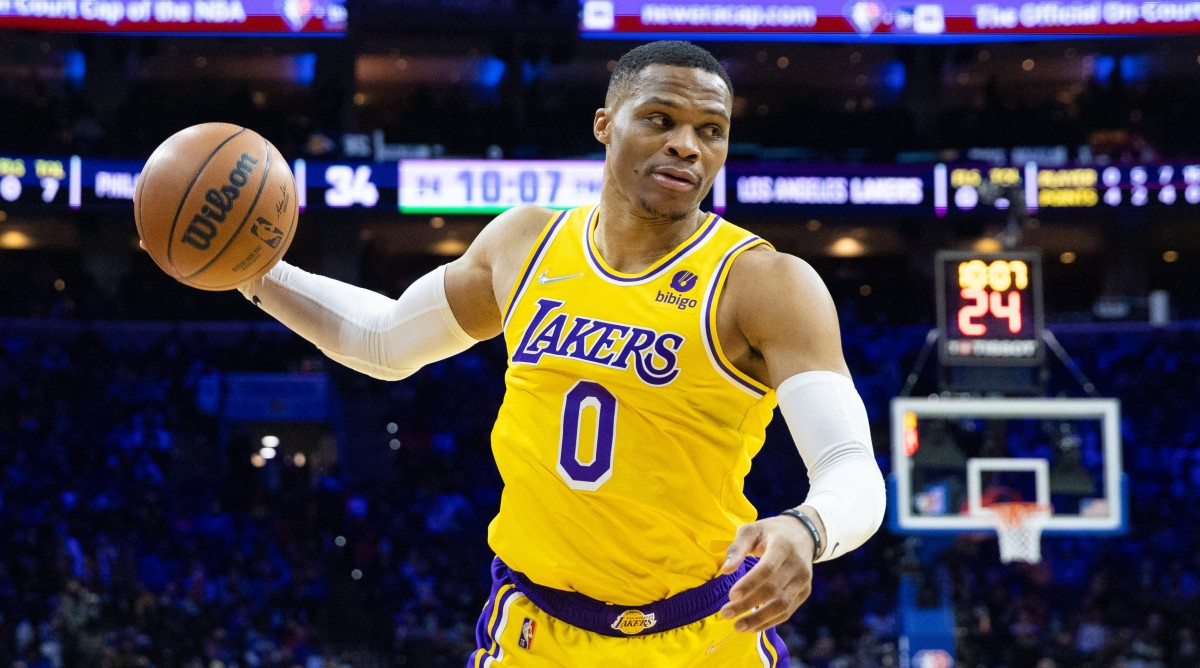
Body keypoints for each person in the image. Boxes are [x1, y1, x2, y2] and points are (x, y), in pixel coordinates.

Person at [235, 41, 886, 667]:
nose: (687, 145)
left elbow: (850, 464)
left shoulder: (765, 282)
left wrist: (809, 527)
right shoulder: (526, 243)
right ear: (605, 124)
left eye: (711, 130)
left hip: (705, 635)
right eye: (660, 119)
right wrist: (251, 272)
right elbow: (383, 341)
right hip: (535, 634)